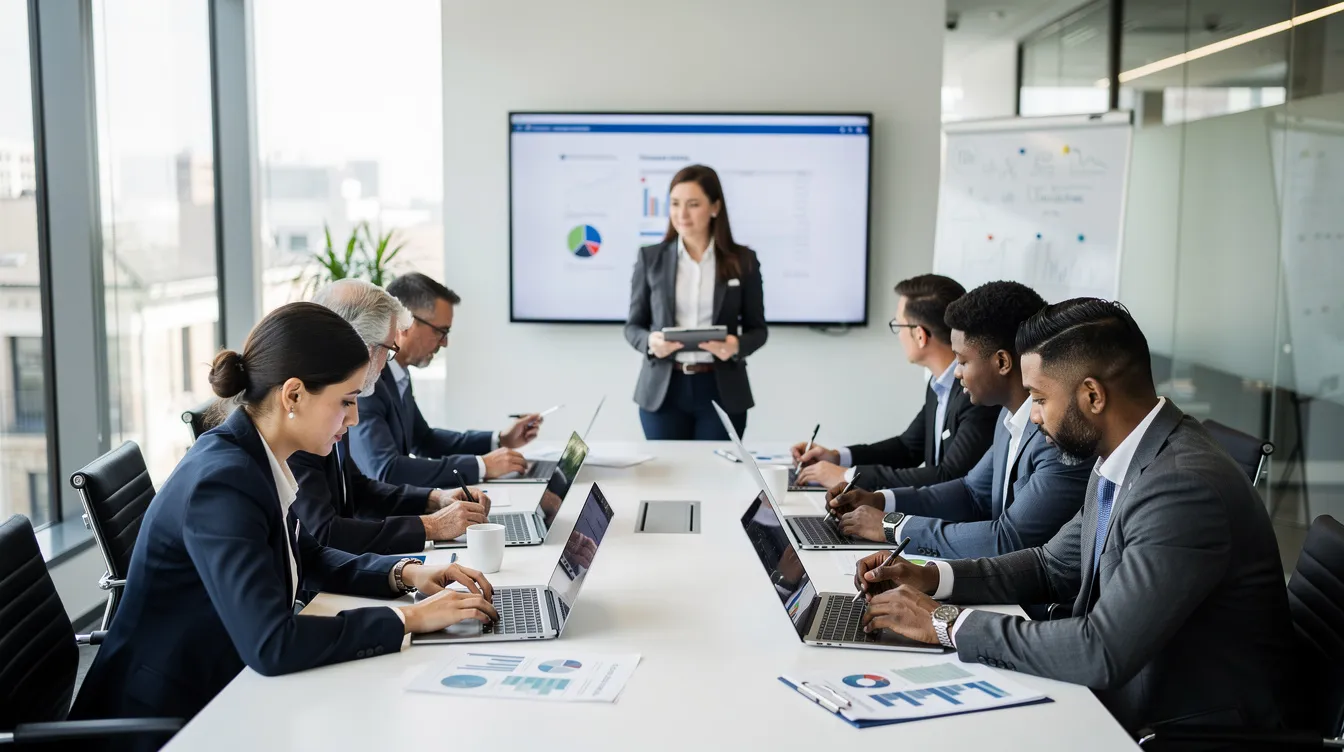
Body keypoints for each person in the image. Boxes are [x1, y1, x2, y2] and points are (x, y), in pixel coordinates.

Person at [852, 299, 1294, 735]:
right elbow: (1051, 563)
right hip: (1116, 694)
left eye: (1040, 399)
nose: (1035, 417)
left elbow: (1101, 649)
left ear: (1092, 396)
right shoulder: (1123, 455)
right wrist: (931, 577)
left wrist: (945, 623)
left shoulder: (1182, 487)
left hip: (1177, 725)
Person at [69, 303, 499, 742]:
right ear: (293, 395)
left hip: (222, 689)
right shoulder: (223, 482)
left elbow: (305, 553)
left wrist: (406, 573)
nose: (353, 419)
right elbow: (271, 644)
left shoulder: (255, 455)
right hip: (169, 720)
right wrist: (408, 619)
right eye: (346, 401)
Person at [823, 281, 1091, 558]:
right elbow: (971, 493)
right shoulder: (1007, 417)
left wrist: (893, 526)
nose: (957, 374)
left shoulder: (1058, 437)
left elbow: (1007, 539)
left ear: (1002, 363)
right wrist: (880, 500)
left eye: (962, 361)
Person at [289, 279, 490, 555]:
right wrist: (430, 527)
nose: (354, 418)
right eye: (390, 348)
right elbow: (324, 532)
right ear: (361, 344)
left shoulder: (332, 404)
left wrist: (435, 499)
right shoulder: (302, 421)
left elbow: (357, 488)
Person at [792, 274, 998, 490]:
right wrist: (837, 457)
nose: (898, 335)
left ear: (920, 335)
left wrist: (848, 476)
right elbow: (907, 447)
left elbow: (949, 476)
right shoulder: (939, 385)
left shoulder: (975, 394)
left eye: (898, 325)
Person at [350, 272, 540, 486]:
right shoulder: (368, 382)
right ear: (406, 323)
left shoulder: (398, 374)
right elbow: (387, 470)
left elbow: (424, 440)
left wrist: (500, 439)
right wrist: (482, 466)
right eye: (441, 331)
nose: (444, 343)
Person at [624, 164, 767, 440]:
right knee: (665, 480)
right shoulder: (650, 258)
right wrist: (651, 344)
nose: (682, 214)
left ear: (715, 208)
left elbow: (758, 330)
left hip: (721, 387)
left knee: (716, 478)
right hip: (663, 391)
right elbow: (633, 326)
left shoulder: (743, 261)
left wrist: (736, 346)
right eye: (675, 204)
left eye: (693, 204)